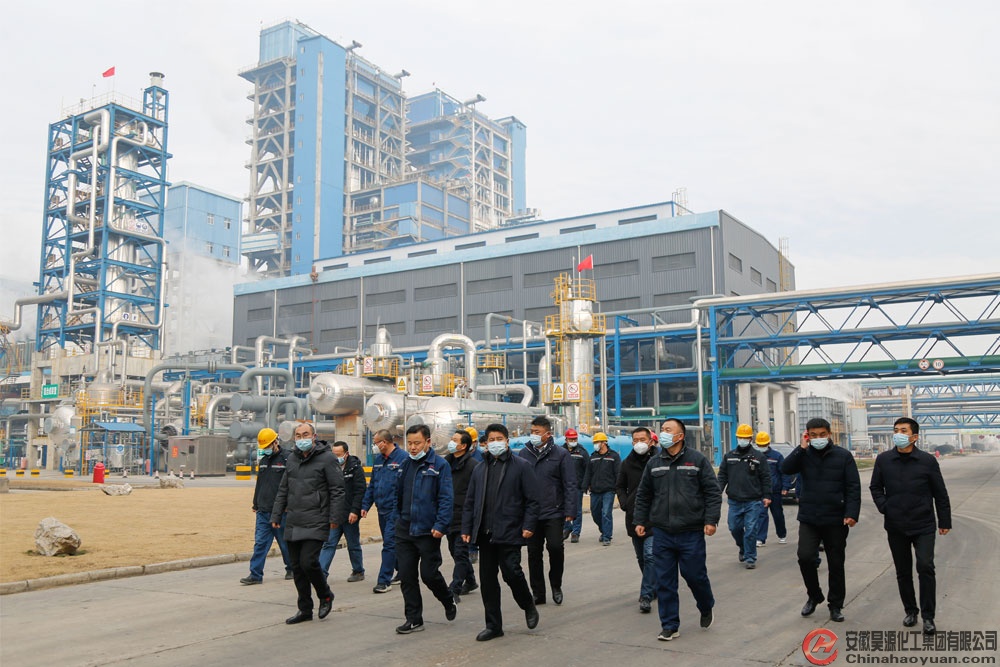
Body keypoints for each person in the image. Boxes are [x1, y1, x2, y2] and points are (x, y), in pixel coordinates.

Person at [633, 419, 720, 641]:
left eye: (668, 430)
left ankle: (706, 604)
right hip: (662, 532)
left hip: (691, 532)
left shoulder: (697, 460)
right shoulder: (654, 463)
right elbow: (644, 494)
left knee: (694, 576)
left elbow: (712, 492)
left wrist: (711, 520)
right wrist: (640, 520)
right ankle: (670, 625)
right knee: (665, 581)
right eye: (662, 430)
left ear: (680, 436)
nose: (663, 433)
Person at [870, 417, 951, 635]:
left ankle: (928, 617)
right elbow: (875, 487)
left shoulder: (927, 461)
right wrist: (885, 507)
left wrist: (944, 520)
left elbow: (940, 492)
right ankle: (910, 611)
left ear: (914, 436)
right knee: (903, 571)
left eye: (903, 430)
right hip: (896, 525)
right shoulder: (884, 460)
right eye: (896, 430)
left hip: (923, 523)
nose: (898, 434)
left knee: (925, 566)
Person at [462, 423, 540, 641]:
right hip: (485, 533)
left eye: (499, 439)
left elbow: (533, 500)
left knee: (511, 572)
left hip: (510, 530)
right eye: (491, 439)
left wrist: (528, 525)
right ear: (485, 443)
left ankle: (528, 604)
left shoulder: (522, 466)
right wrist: (467, 528)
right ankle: (494, 625)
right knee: (487, 581)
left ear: (507, 441)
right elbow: (470, 502)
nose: (495, 443)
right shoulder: (480, 469)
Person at [782, 417, 861, 623]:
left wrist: (852, 513)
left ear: (829, 434)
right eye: (813, 435)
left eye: (822, 434)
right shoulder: (804, 455)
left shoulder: (843, 456)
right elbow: (785, 468)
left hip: (836, 518)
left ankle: (835, 605)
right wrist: (801, 448)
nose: (818, 438)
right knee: (805, 557)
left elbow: (853, 486)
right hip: (809, 517)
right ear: (807, 435)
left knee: (836, 563)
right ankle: (814, 595)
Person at [271, 421, 346, 624]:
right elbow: (283, 488)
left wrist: (334, 518)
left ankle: (325, 595)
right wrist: (276, 515)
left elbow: (337, 489)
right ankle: (305, 609)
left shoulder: (327, 458)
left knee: (309, 562)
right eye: (298, 435)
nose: (301, 439)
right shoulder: (292, 459)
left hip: (317, 517)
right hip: (294, 519)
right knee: (296, 567)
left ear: (314, 437)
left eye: (305, 435)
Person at [393, 424, 457, 635]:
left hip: (428, 531)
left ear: (428, 442)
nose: (412, 447)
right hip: (405, 529)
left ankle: (447, 598)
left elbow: (446, 498)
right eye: (410, 443)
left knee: (429, 575)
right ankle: (414, 619)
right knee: (407, 576)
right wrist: (397, 520)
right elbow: (398, 495)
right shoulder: (404, 464)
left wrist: (441, 525)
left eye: (417, 443)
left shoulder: (439, 466)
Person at [518, 415, 576, 606]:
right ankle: (538, 592)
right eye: (532, 431)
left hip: (554, 511)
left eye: (537, 432)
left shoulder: (561, 454)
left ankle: (556, 585)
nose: (534, 435)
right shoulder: (524, 453)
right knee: (534, 554)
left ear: (548, 434)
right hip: (531, 513)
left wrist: (570, 510)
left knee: (555, 548)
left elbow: (569, 483)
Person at [241, 427, 294, 585]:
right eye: (263, 447)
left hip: (281, 512)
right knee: (260, 543)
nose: (266, 449)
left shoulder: (288, 459)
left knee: (285, 543)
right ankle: (255, 574)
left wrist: (288, 505)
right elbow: (260, 483)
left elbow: (292, 485)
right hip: (263, 510)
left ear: (276, 442)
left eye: (268, 446)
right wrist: (255, 503)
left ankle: (291, 568)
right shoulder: (264, 460)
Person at [615, 426, 659, 613]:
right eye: (635, 440)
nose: (639, 443)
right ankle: (653, 585)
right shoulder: (627, 463)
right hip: (634, 516)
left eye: (642, 439)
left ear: (651, 441)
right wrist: (625, 503)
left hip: (655, 516)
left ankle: (646, 595)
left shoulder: (659, 461)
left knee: (650, 555)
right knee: (641, 557)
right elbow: (619, 486)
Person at [717, 423, 771, 570]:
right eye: (741, 437)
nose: (743, 440)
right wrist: (717, 492)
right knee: (734, 527)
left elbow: (766, 478)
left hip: (753, 501)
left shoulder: (758, 457)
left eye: (745, 438)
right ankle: (743, 547)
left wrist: (767, 495)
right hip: (734, 501)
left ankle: (750, 557)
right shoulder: (729, 456)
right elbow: (722, 476)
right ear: (737, 438)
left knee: (751, 530)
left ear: (750, 439)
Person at [361, 429, 408, 594]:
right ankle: (402, 571)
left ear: (385, 442)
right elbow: (373, 485)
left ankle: (384, 581)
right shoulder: (379, 460)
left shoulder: (403, 459)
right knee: (392, 544)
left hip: (395, 510)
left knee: (389, 544)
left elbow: (404, 487)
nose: (374, 446)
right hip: (381, 509)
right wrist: (365, 506)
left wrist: (398, 508)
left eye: (376, 443)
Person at [319, 441, 367, 583]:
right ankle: (321, 574)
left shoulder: (355, 469)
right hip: (334, 515)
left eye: (338, 455)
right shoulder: (329, 468)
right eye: (333, 454)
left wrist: (355, 511)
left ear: (346, 454)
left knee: (353, 544)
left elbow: (360, 491)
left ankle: (358, 571)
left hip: (350, 515)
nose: (336, 457)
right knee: (329, 543)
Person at [445, 430, 479, 600]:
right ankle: (470, 580)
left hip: (465, 516)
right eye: (451, 439)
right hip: (449, 514)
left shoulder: (473, 466)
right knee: (454, 551)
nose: (451, 442)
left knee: (460, 552)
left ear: (463, 445)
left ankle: (454, 588)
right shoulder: (446, 463)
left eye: (455, 440)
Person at [583, 432, 621, 545]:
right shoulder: (593, 457)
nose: (595, 444)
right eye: (594, 442)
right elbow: (588, 473)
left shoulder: (614, 456)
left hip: (608, 490)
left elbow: (618, 473)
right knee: (595, 513)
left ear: (604, 443)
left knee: (606, 513)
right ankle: (604, 530)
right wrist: (584, 486)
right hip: (595, 490)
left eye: (597, 442)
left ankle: (607, 537)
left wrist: (618, 487)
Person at [754, 431, 789, 547]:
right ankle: (760, 538)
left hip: (775, 491)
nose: (762, 447)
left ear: (768, 443)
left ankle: (782, 535)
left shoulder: (777, 456)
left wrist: (785, 487)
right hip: (760, 492)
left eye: (763, 445)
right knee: (761, 514)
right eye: (760, 445)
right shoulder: (754, 457)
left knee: (778, 514)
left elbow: (784, 472)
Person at [562, 428, 588, 543]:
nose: (573, 441)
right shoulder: (560, 451)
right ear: (566, 439)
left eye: (575, 439)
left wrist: (585, 484)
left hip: (577, 486)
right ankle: (567, 527)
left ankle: (576, 533)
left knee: (577, 510)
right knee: (563, 509)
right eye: (571, 439)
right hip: (563, 486)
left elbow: (587, 469)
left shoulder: (582, 452)